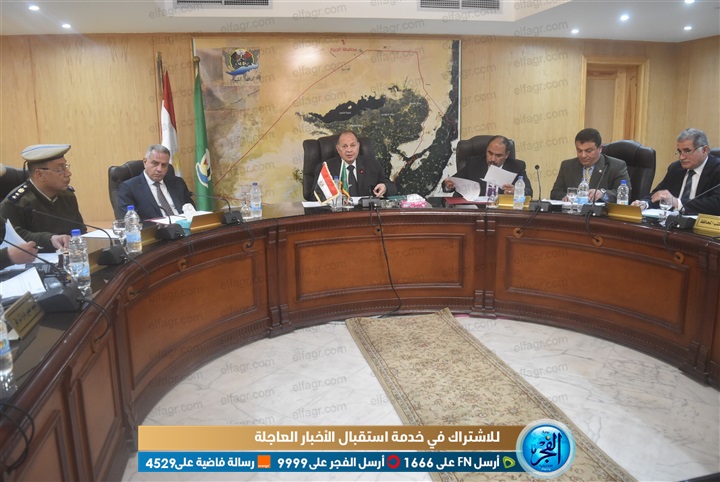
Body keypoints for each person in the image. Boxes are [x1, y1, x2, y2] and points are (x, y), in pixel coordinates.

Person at [0, 144, 85, 252]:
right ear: (39, 174)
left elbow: (80, 232)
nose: (68, 173)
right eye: (60, 169)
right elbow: (11, 240)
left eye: (66, 167)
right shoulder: (15, 203)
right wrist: (49, 240)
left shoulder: (68, 195)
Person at [632, 128, 720, 215]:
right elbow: (659, 194)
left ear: (704, 150)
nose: (681, 157)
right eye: (679, 152)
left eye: (687, 151)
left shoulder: (717, 169)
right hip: (672, 221)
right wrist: (644, 203)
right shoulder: (676, 168)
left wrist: (677, 203)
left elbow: (716, 204)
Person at [550, 128, 631, 202]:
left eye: (588, 151)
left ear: (600, 149)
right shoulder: (567, 166)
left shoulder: (616, 166)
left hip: (600, 212)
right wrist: (566, 196)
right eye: (579, 151)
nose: (583, 155)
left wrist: (603, 194)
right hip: (573, 211)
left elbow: (626, 194)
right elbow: (555, 193)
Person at [117, 144, 194, 221]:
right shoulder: (129, 188)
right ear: (145, 162)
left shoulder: (178, 183)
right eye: (155, 163)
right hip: (155, 228)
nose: (159, 169)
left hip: (185, 226)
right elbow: (130, 222)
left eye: (164, 165)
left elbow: (192, 212)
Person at [443, 135, 533, 197]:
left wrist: (516, 191)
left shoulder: (517, 167)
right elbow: (450, 183)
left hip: (502, 213)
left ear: (506, 155)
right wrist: (448, 185)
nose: (492, 159)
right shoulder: (473, 164)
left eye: (498, 155)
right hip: (476, 212)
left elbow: (529, 192)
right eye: (490, 153)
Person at [314, 131, 397, 198]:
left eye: (353, 145)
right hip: (338, 211)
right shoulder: (326, 168)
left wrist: (385, 187)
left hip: (365, 212)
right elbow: (315, 196)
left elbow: (392, 188)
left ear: (358, 146)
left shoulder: (372, 165)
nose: (349, 150)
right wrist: (332, 197)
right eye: (344, 146)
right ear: (338, 149)